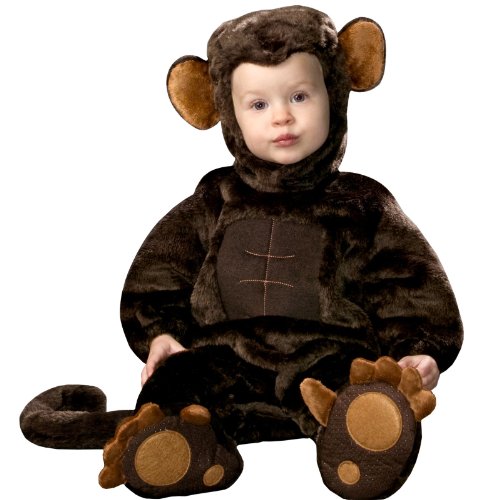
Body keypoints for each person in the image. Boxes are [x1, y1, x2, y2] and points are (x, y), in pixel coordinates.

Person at [100, 6, 463, 498]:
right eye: (257, 104)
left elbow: (408, 280)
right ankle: (183, 445)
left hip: (325, 356)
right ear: (224, 111)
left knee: (357, 380)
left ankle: (360, 434)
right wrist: (161, 334)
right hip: (221, 356)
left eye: (299, 95)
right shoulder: (212, 201)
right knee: (176, 382)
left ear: (335, 92)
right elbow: (160, 273)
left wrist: (418, 349)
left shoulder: (363, 203)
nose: (282, 116)